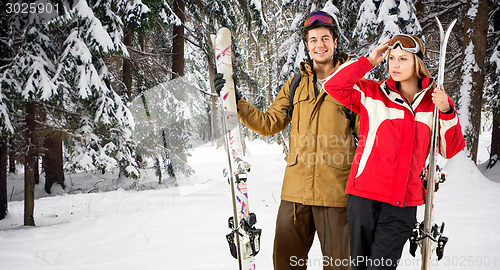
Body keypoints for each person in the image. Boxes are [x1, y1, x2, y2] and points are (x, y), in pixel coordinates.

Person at [214, 11, 357, 270]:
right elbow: (268, 123)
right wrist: (236, 100)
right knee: (286, 265)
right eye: (313, 40)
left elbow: (371, 136)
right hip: (295, 194)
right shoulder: (294, 85)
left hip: (336, 195)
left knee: (340, 266)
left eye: (325, 38)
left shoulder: (353, 85)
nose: (319, 45)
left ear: (335, 42)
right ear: (307, 45)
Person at [321, 34, 466, 269]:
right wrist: (369, 61)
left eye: (403, 59)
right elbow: (332, 85)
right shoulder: (372, 94)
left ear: (417, 63)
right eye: (392, 59)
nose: (395, 65)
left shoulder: (435, 104)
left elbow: (449, 149)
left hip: (403, 203)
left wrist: (448, 110)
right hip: (364, 198)